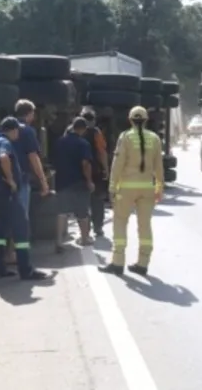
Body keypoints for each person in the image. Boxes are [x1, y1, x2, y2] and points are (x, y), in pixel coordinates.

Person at [100, 106, 165, 277]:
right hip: (147, 189)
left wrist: (112, 187)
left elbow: (118, 164)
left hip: (126, 188)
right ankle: (143, 264)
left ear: (129, 120)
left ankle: (117, 262)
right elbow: (159, 166)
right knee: (145, 226)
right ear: (146, 120)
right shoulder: (155, 138)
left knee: (120, 223)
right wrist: (159, 187)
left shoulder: (125, 137)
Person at [0, 117, 49, 281]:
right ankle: (26, 270)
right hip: (9, 194)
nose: (17, 135)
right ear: (12, 130)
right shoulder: (5, 143)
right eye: (17, 132)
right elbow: (4, 157)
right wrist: (11, 180)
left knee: (0, 233)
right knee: (21, 230)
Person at [52, 117, 96, 251]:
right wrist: (89, 181)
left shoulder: (60, 142)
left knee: (62, 213)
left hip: (62, 181)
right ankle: (84, 239)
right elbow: (85, 164)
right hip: (79, 183)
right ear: (83, 129)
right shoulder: (83, 144)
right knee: (82, 212)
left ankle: (59, 242)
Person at [78, 110, 110, 238]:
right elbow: (101, 152)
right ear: (93, 120)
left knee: (81, 201)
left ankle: (84, 230)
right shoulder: (96, 132)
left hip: (78, 171)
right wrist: (106, 169)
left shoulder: (72, 130)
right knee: (97, 200)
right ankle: (98, 227)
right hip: (95, 170)